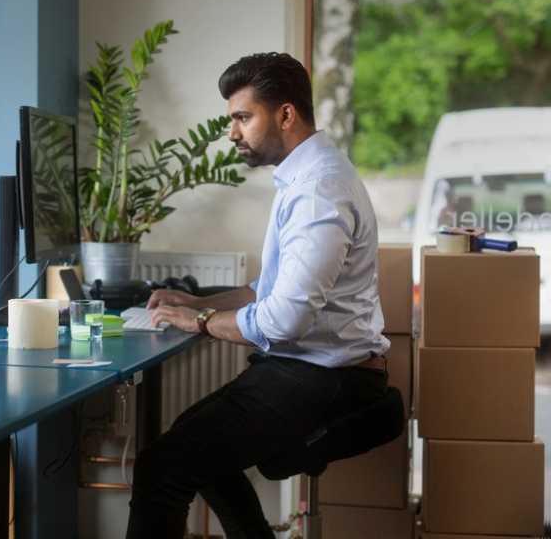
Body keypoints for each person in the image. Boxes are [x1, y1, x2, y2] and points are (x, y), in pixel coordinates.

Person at [126, 52, 390, 539]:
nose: (232, 133)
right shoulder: (305, 178)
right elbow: (266, 291)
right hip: (310, 367)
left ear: (285, 114)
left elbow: (282, 321)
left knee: (162, 469)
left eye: (242, 117)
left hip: (325, 376)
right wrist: (195, 303)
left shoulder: (319, 192)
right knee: (198, 456)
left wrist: (200, 323)